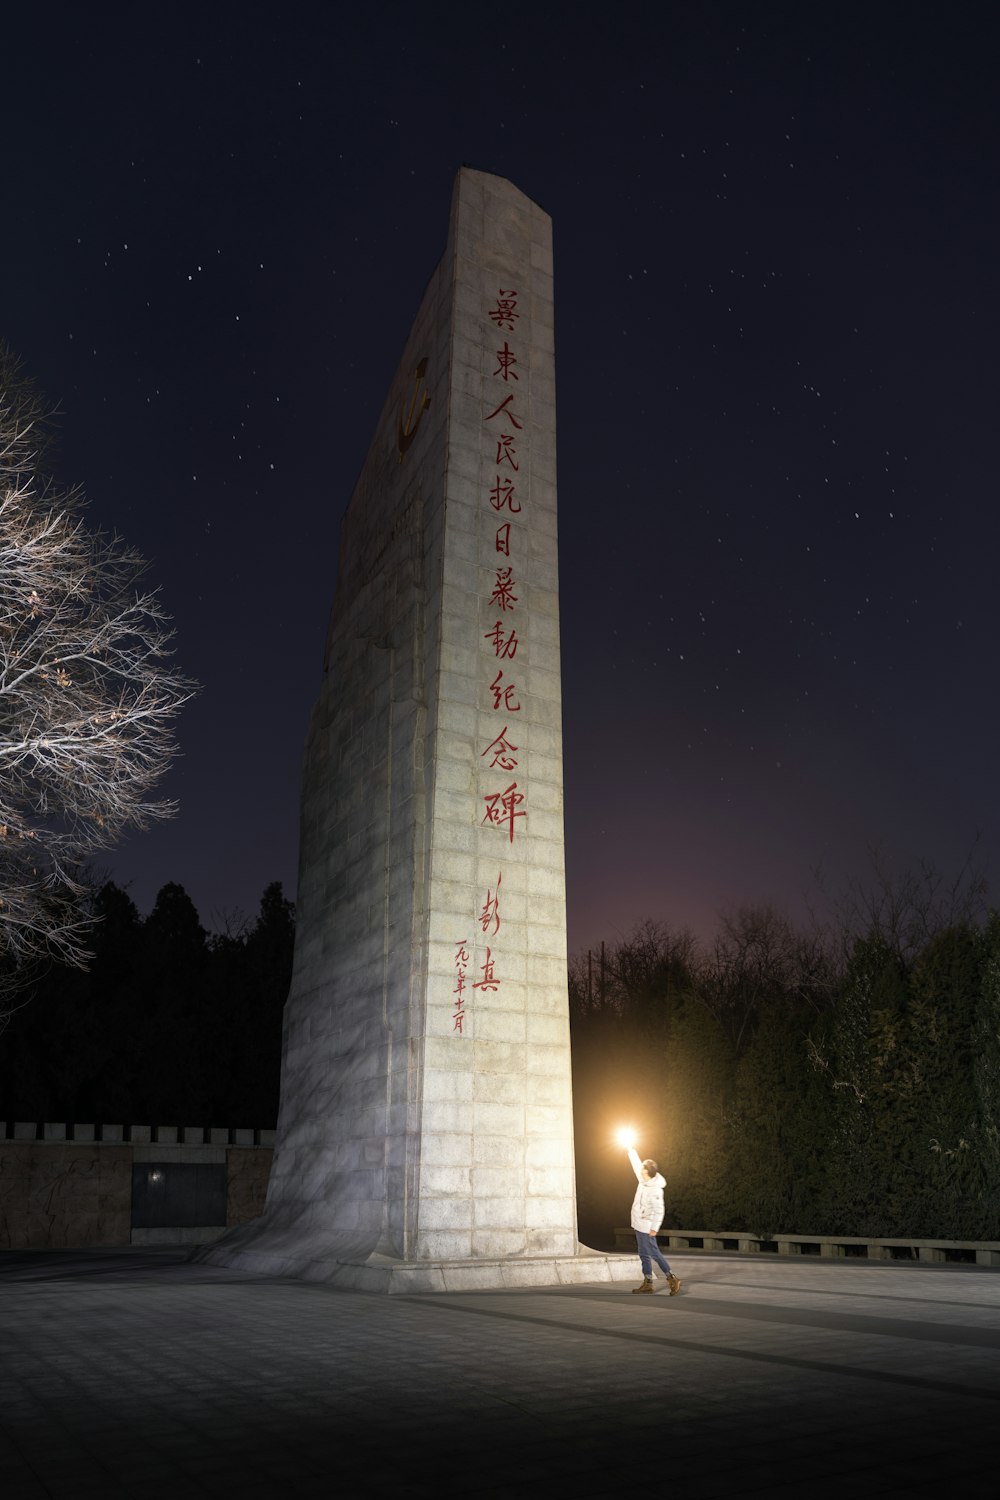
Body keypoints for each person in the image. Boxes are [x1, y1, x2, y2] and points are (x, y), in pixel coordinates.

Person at [627, 1146, 682, 1296]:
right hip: (638, 1222)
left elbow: (660, 1210)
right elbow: (636, 1164)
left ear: (647, 1172)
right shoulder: (643, 1179)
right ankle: (648, 1283)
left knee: (654, 1253)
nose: (640, 1170)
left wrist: (655, 1228)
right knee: (643, 1253)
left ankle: (672, 1278)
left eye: (643, 1168)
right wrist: (631, 1149)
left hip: (647, 1225)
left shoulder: (656, 1189)